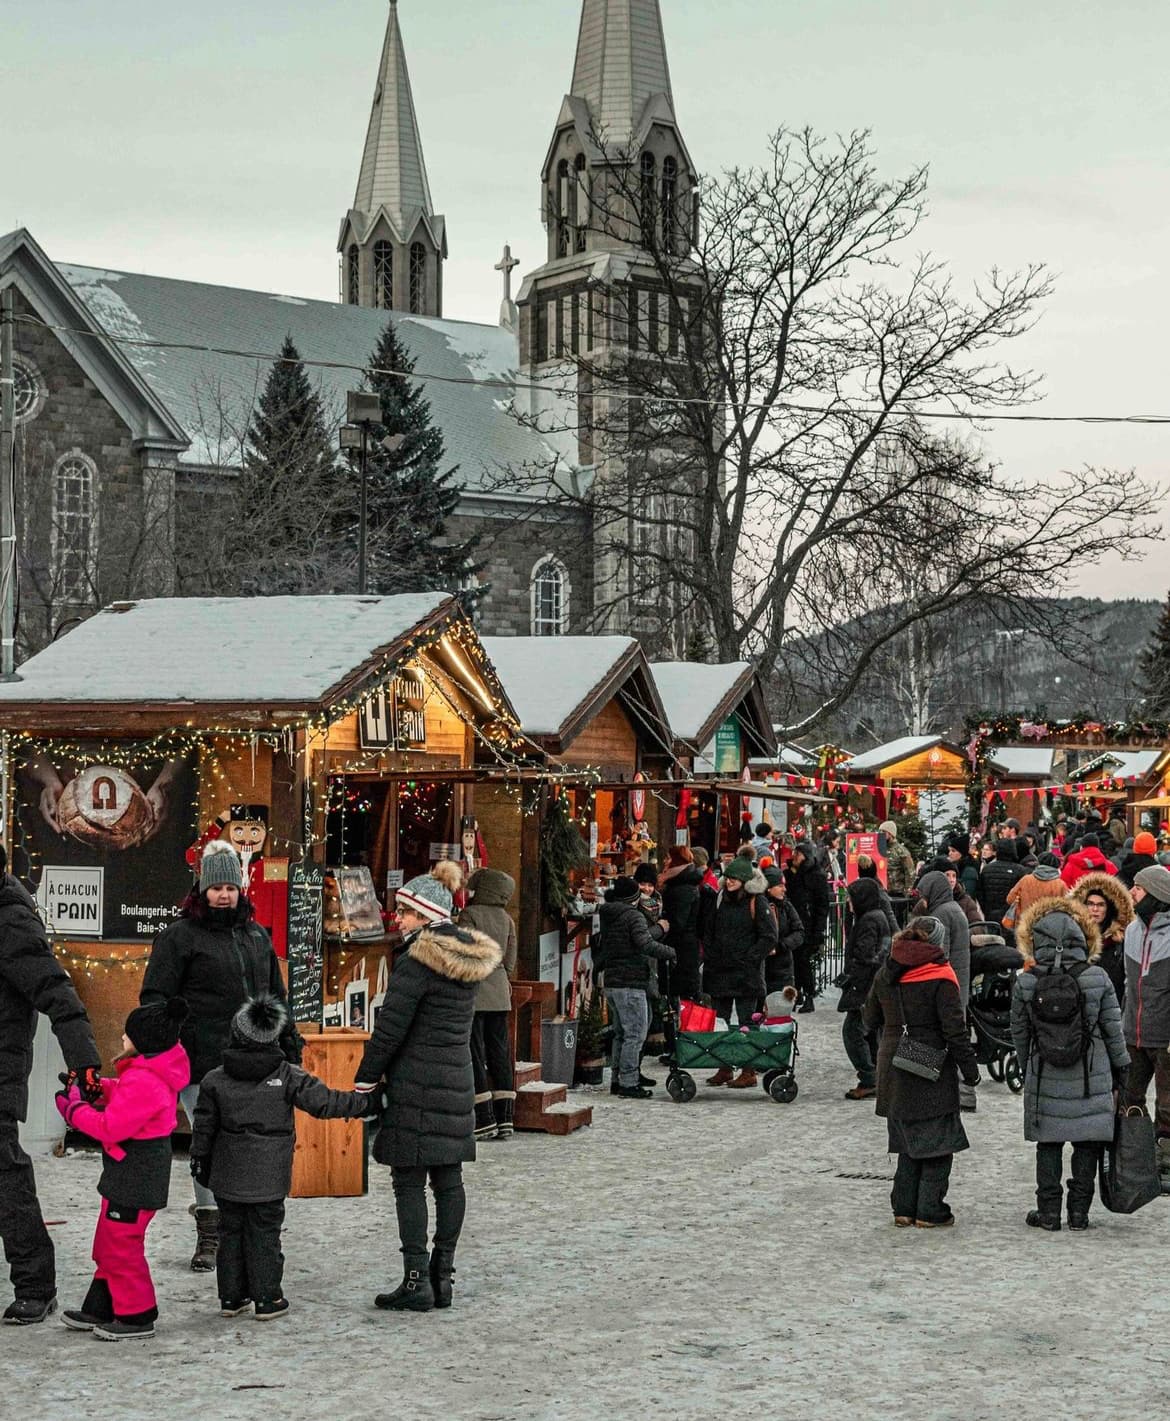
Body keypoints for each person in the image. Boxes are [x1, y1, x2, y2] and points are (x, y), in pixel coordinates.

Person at [140, 840, 301, 1272]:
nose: (224, 894)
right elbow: (155, 996)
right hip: (200, 1061)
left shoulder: (254, 936)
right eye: (216, 887)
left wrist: (289, 1043)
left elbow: (274, 994)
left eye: (231, 886)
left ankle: (245, 1225)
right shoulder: (179, 937)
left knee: (247, 1142)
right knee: (210, 1141)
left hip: (256, 1057)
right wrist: (164, 1040)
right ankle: (210, 1231)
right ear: (202, 890)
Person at [354, 874, 502, 1312]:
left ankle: (416, 1280)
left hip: (416, 1084)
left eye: (405, 911)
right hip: (455, 1079)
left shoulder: (417, 961)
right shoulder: (465, 960)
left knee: (408, 1182)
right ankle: (444, 1277)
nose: (398, 920)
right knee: (448, 1179)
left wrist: (365, 1079)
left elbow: (390, 1031)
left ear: (428, 915)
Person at [191, 997, 373, 1320]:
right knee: (264, 1234)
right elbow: (323, 1102)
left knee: (230, 1233)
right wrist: (363, 1104)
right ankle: (267, 1298)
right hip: (270, 1177)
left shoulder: (214, 1080)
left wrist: (200, 1162)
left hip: (227, 1175)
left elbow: (203, 1129)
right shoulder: (287, 1075)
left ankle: (231, 1299)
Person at [0, 846, 102, 1326]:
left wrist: (83, 1060)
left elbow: (58, 995)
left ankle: (35, 1284)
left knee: (6, 1177)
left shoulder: (10, 918)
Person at [54, 997, 191, 1339]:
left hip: (136, 1174)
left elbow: (110, 1128)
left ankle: (136, 1315)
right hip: (126, 1172)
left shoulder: (148, 1081)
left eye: (127, 1035)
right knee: (108, 1240)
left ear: (143, 1041)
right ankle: (101, 1305)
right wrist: (97, 1090)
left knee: (122, 1243)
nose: (123, 1038)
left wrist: (74, 1112)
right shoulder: (147, 1073)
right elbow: (125, 1096)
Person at [1009, 898, 1129, 1231]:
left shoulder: (1027, 982)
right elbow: (1112, 1029)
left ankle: (1048, 1213)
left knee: (1048, 1144)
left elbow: (1019, 1031)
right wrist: (1121, 1068)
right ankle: (1079, 1213)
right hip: (1091, 1072)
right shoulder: (1098, 978)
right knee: (1086, 1143)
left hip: (1045, 1071)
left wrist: (1026, 1065)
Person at [863, 919, 980, 1229]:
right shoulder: (940, 976)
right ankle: (930, 1209)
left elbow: (869, 1018)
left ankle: (903, 1208)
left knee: (906, 1140)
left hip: (892, 1064)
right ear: (937, 945)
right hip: (928, 1064)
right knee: (939, 1141)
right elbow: (955, 1031)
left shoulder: (886, 972)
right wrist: (970, 1072)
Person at [593, 878, 674, 1101]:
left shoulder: (609, 914)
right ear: (634, 897)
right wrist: (669, 950)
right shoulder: (633, 916)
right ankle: (629, 1082)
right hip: (630, 982)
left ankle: (618, 1079)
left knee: (622, 1033)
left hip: (613, 981)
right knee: (635, 1034)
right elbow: (644, 943)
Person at [701, 856, 777, 1087]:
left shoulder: (758, 902)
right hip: (720, 971)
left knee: (746, 1022)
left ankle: (749, 1069)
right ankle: (724, 1067)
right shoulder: (720, 899)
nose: (730, 881)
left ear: (745, 880)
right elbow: (709, 930)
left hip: (746, 973)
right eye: (728, 877)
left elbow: (769, 936)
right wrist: (712, 955)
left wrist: (749, 958)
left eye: (735, 878)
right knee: (721, 1022)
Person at [457, 869, 518, 1142]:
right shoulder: (507, 919)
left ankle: (483, 1119)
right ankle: (506, 1117)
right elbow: (510, 960)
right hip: (500, 992)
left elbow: (463, 950)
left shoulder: (470, 915)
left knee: (475, 1052)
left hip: (475, 989)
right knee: (499, 1053)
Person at [1121, 865, 1170, 1193]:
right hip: (1132, 1032)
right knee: (1129, 1096)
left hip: (1165, 1034)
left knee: (1167, 1102)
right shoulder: (1131, 931)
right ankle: (1133, 1155)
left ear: (1155, 894)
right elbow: (1128, 983)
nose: (1132, 894)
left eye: (1138, 889)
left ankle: (1165, 1159)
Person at [915, 869, 975, 1111]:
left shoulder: (941, 914)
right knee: (957, 1035)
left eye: (923, 892)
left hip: (947, 987)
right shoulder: (954, 909)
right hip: (958, 985)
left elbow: (940, 954)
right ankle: (964, 1092)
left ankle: (956, 1092)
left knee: (945, 1038)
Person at [839, 878, 891, 1101]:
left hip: (864, 985)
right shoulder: (875, 916)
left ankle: (869, 1077)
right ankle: (876, 1076)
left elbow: (865, 956)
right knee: (868, 1032)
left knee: (853, 1032)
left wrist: (852, 978)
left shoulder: (869, 920)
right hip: (870, 984)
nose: (849, 902)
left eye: (851, 898)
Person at [1070, 872, 1132, 1009]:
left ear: (1108, 908)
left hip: (1112, 1004)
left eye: (1101, 905)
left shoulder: (1119, 940)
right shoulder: (1073, 936)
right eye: (1090, 904)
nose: (1095, 909)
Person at [785, 841, 830, 1012]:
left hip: (808, 925)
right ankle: (798, 994)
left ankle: (809, 994)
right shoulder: (791, 873)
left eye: (798, 854)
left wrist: (818, 929)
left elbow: (822, 905)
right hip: (793, 924)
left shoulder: (816, 876)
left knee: (803, 961)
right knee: (795, 961)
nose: (794, 857)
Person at [659, 848, 704, 1002]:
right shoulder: (681, 883)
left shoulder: (682, 888)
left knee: (680, 994)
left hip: (681, 949)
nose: (665, 861)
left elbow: (678, 922)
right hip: (683, 947)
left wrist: (661, 928)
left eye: (668, 857)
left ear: (676, 861)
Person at [761, 866, 802, 996]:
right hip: (761, 969)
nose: (784, 889)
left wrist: (780, 946)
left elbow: (799, 932)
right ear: (768, 888)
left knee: (780, 1011)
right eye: (780, 886)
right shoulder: (757, 906)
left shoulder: (786, 906)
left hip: (783, 970)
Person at [1004, 852, 1069, 929]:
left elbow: (1010, 899)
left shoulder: (1026, 880)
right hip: (1049, 928)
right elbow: (1067, 908)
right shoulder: (1060, 885)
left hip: (1024, 925)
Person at [979, 840, 1028, 940]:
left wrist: (986, 909)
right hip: (1011, 916)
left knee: (992, 943)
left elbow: (980, 893)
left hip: (990, 915)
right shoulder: (1020, 870)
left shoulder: (987, 869)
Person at [880, 820, 916, 916]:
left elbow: (910, 873)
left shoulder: (901, 851)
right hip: (883, 892)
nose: (881, 834)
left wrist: (907, 891)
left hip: (897, 894)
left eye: (884, 832)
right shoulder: (880, 849)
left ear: (891, 833)